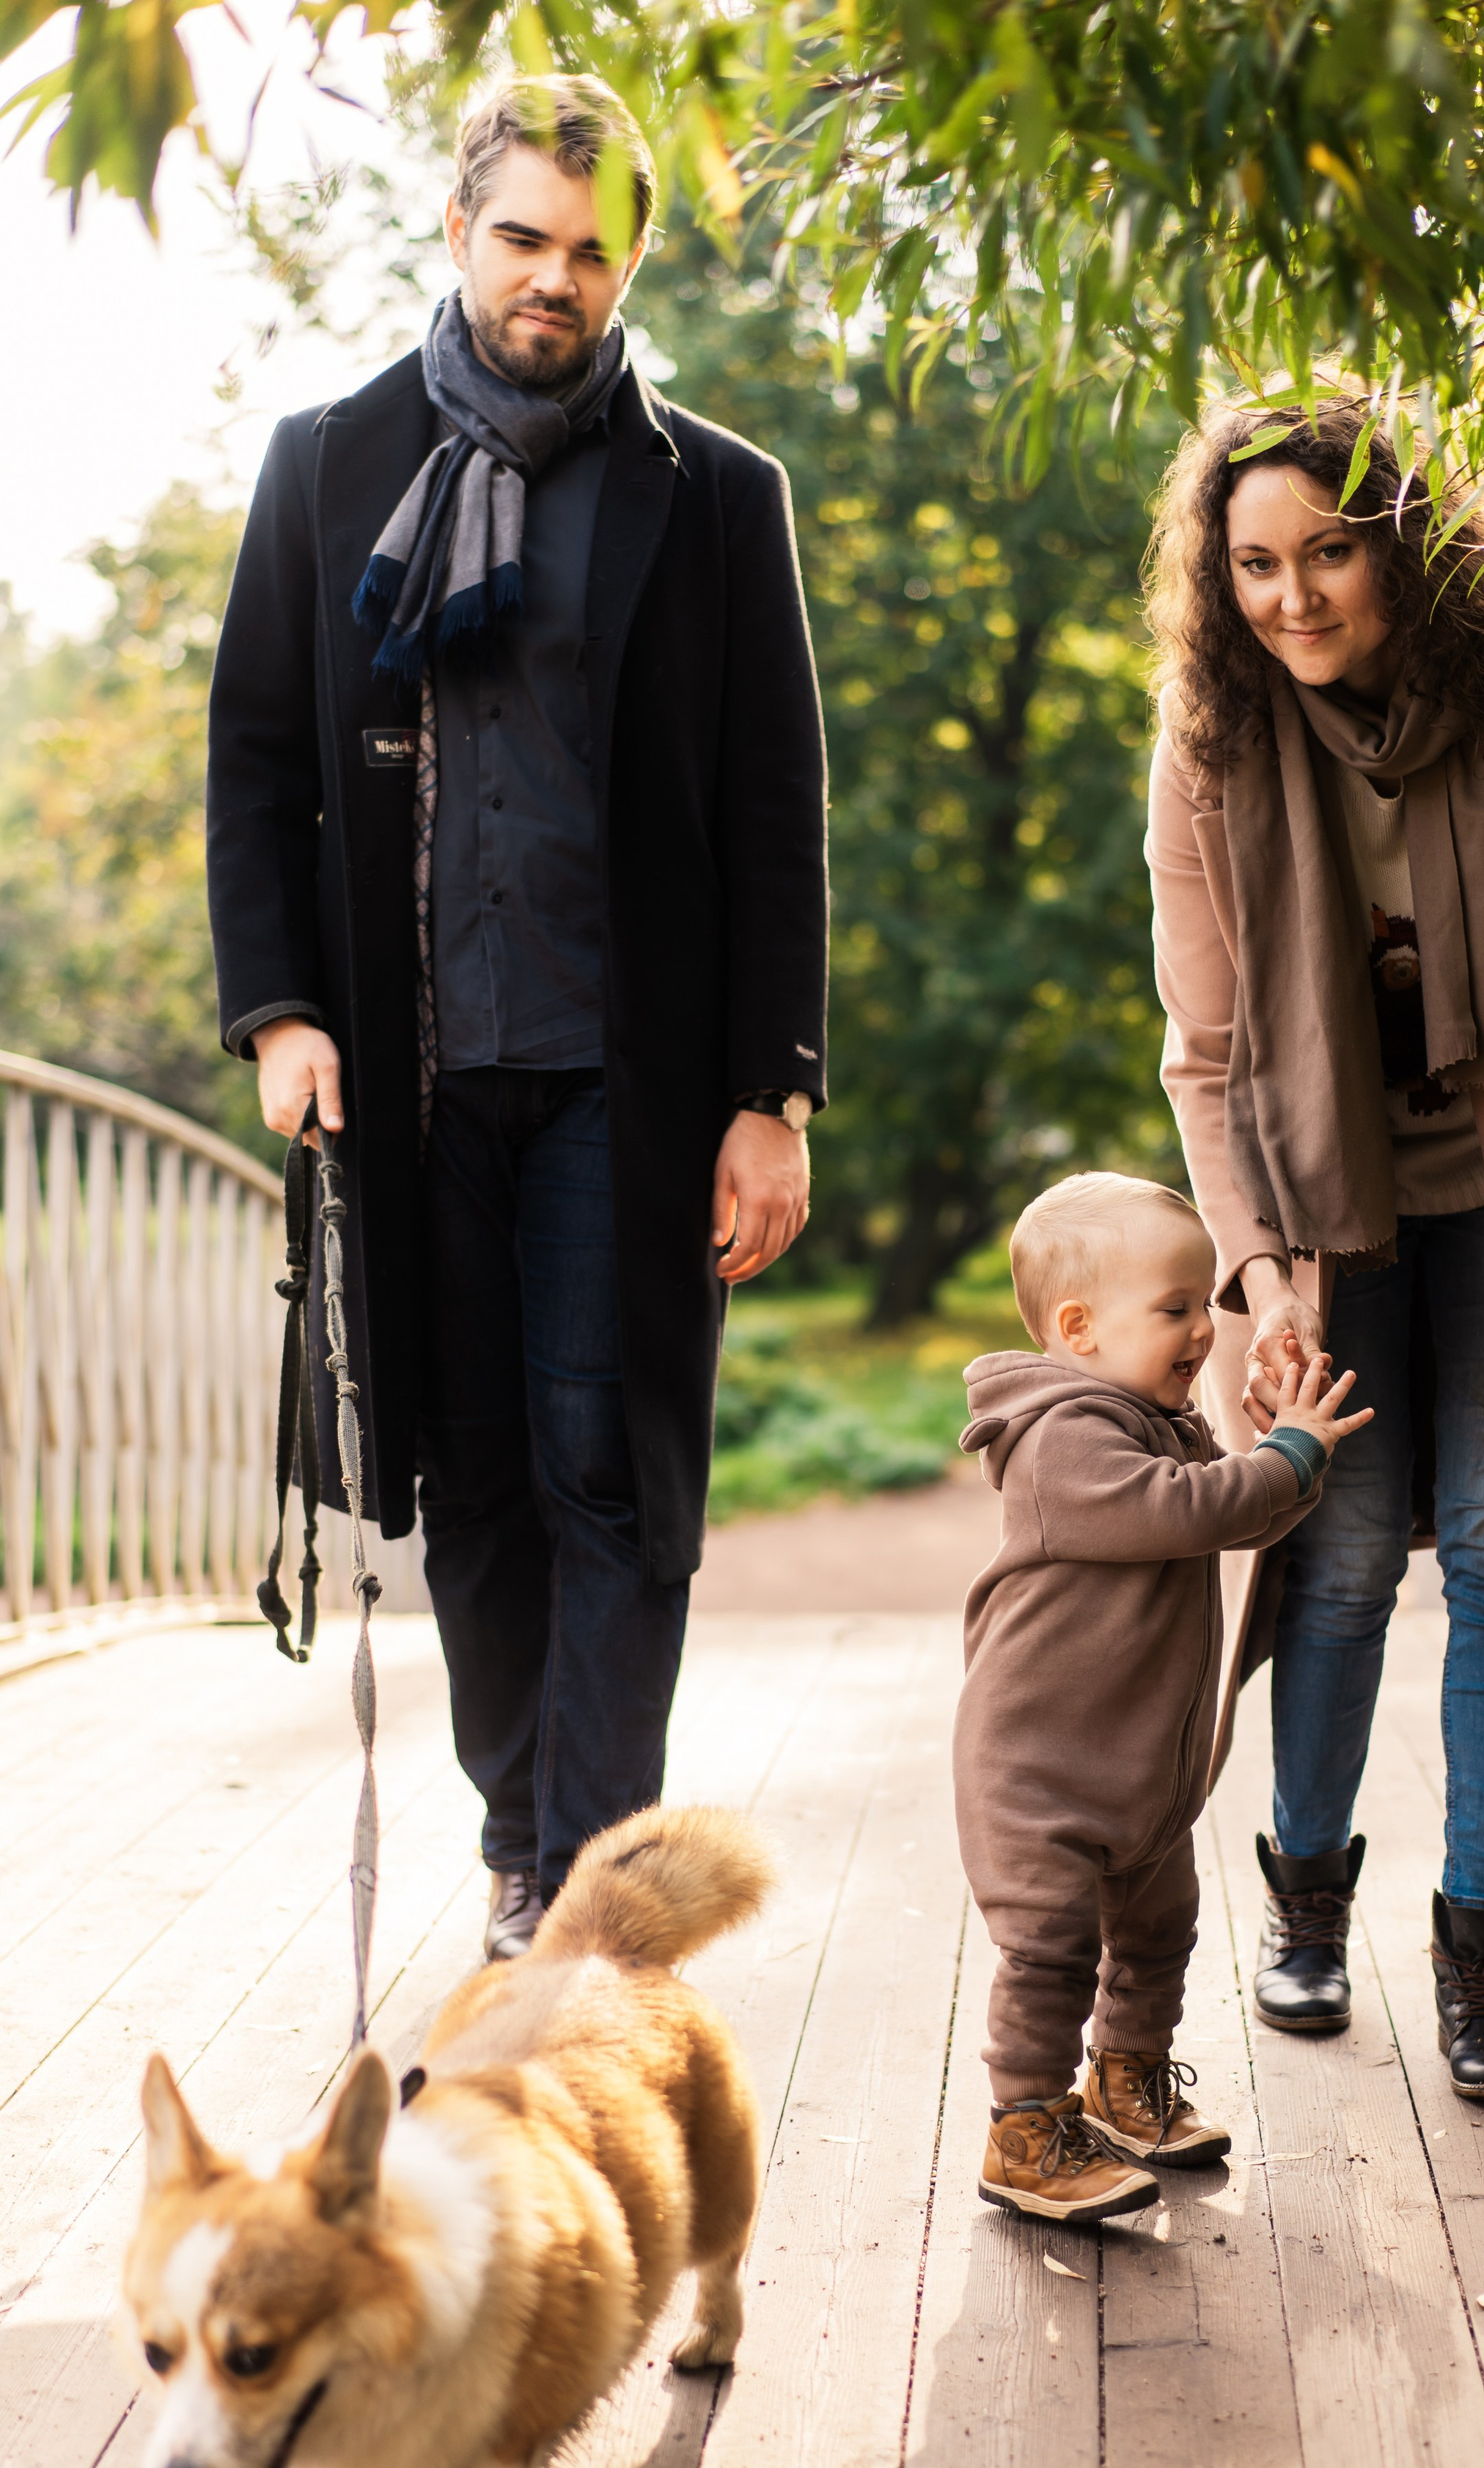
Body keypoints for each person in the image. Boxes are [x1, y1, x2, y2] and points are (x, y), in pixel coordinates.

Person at [207, 76, 828, 1960]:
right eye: (519, 240)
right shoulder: (327, 463)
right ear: (456, 230)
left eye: (589, 248)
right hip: (405, 1079)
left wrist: (771, 1093)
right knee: (463, 1474)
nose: (552, 280)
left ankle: (587, 1884)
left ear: (630, 253)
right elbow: (254, 767)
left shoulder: (714, 495)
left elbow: (770, 812)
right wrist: (280, 1012)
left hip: (626, 1084)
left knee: (615, 1471)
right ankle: (521, 1836)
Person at [1143, 399, 1484, 2108]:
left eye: (1328, 550)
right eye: (1251, 564)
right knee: (1334, 1547)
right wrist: (1250, 1281)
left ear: (1405, 544)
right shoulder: (1213, 742)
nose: (1291, 599)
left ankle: (1481, 1960)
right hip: (1321, 1217)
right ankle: (1302, 1913)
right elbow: (1208, 1051)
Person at [955, 1172, 1368, 2225]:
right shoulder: (1063, 1438)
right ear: (1078, 1328)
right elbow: (1183, 1513)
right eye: (1176, 1309)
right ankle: (1026, 2132)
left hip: (1138, 1770)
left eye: (1205, 1305)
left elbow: (1233, 1518)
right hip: (1044, 1770)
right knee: (1049, 1952)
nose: (1201, 1331)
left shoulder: (1152, 1418)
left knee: (1157, 1933)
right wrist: (1285, 1456)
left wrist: (1291, 1461)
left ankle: (1126, 2087)